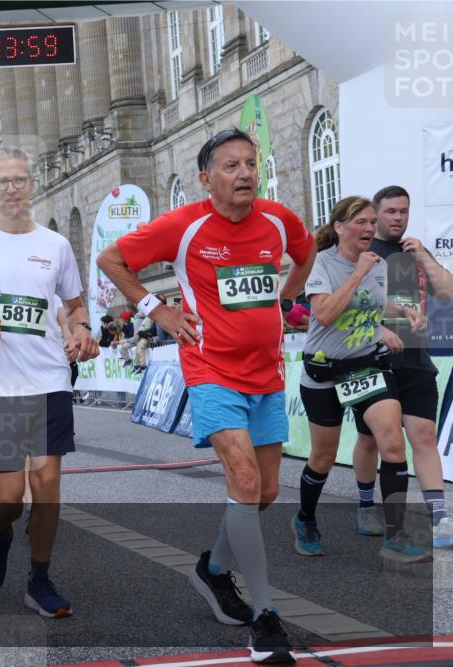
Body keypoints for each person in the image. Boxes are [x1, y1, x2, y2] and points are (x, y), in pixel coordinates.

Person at [97, 128, 316, 664]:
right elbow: (111, 260)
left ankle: (212, 570)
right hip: (211, 368)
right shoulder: (184, 224)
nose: (244, 174)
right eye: (230, 166)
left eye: (249, 163)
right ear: (206, 178)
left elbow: (305, 254)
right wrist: (160, 311)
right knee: (242, 481)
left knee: (262, 494)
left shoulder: (278, 220)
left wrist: (285, 301)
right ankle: (266, 622)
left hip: (266, 374)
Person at [0, 146, 98, 620]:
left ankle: (40, 577)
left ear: (32, 184)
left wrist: (82, 332)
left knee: (47, 481)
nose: (11, 188)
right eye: (2, 181)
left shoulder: (54, 245)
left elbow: (74, 306)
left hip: (49, 376)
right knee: (10, 497)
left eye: (19, 179)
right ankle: (2, 532)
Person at [294, 195, 430, 564]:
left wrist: (401, 311)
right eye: (362, 222)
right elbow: (323, 314)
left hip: (366, 366)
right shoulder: (321, 263)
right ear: (340, 227)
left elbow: (373, 302)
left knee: (392, 442)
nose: (370, 228)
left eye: (373, 222)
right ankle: (305, 519)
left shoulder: (378, 265)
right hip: (324, 369)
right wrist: (356, 272)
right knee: (322, 455)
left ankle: (395, 536)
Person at [348, 186, 453, 549]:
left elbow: (449, 293)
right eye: (391, 211)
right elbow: (347, 308)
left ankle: (439, 519)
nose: (398, 218)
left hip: (416, 359)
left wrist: (424, 257)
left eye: (403, 211)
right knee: (372, 439)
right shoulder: (364, 254)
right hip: (371, 360)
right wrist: (377, 328)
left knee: (423, 436)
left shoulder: (413, 252)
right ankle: (365, 507)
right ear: (377, 215)